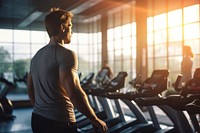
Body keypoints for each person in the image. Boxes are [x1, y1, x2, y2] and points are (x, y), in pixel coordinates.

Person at [27, 8, 108, 133]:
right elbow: (74, 92)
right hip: (59, 122)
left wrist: (42, 110)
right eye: (70, 26)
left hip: (37, 119)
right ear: (62, 27)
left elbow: (30, 89)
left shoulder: (36, 56)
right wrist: (94, 118)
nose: (72, 31)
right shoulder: (66, 54)